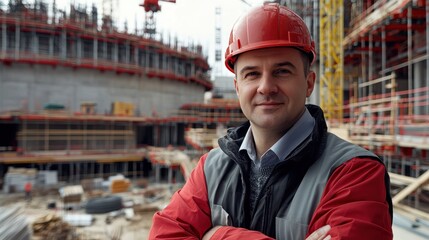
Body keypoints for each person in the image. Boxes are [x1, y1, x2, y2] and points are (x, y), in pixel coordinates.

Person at [149, 3, 393, 239]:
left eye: (282, 71)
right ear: (237, 87)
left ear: (309, 83)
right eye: (252, 74)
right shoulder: (211, 167)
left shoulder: (354, 172)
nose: (266, 87)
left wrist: (217, 235)